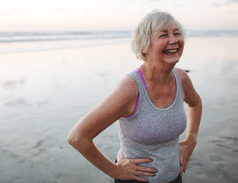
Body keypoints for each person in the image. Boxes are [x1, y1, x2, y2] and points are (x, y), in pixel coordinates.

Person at [67, 11, 202, 183]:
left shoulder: (181, 78)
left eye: (177, 33)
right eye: (163, 35)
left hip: (174, 177)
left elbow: (195, 103)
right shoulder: (131, 89)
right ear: (144, 46)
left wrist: (191, 138)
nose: (174, 40)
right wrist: (115, 171)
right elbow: (78, 137)